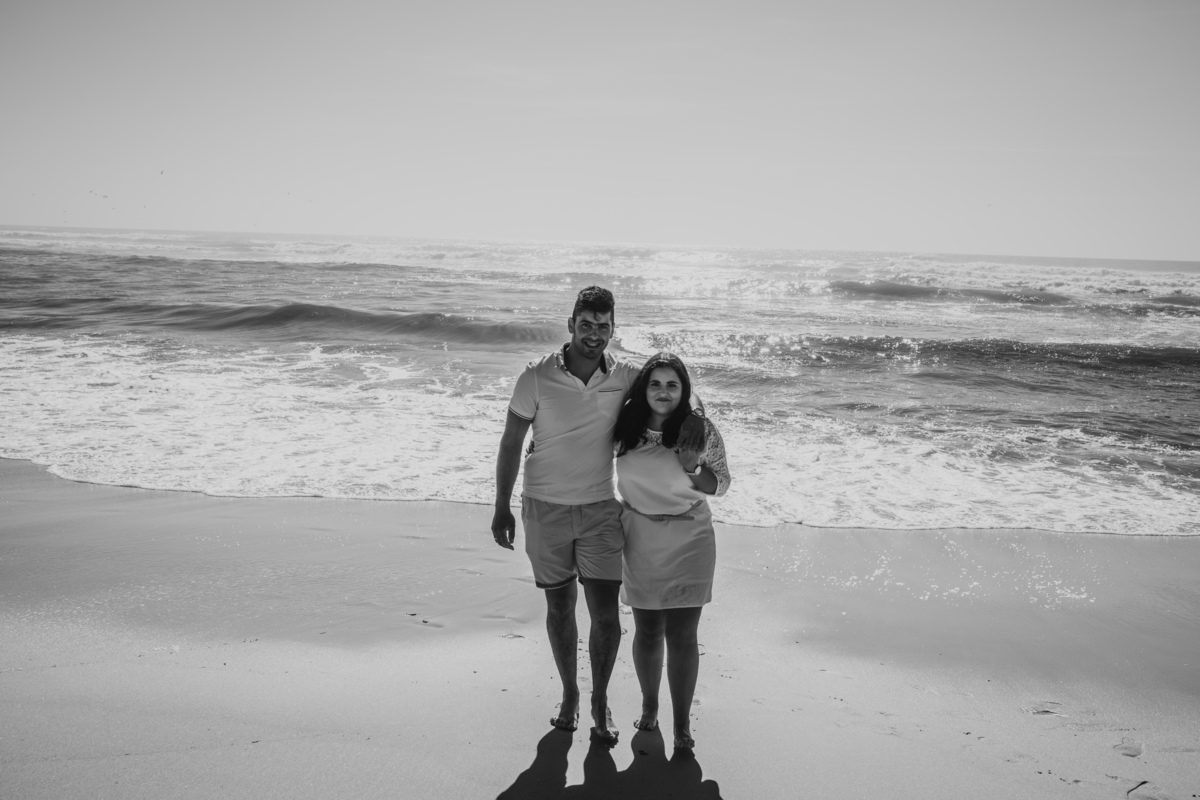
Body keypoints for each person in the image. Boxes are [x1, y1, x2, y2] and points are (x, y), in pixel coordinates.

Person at [611, 352, 731, 751]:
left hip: (690, 536)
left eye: (673, 385)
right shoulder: (624, 425)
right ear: (643, 388)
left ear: (684, 391)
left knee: (682, 634)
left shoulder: (699, 429)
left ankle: (682, 724)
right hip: (640, 536)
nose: (663, 392)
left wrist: (693, 465)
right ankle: (649, 705)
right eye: (656, 384)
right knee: (647, 631)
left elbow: (721, 485)